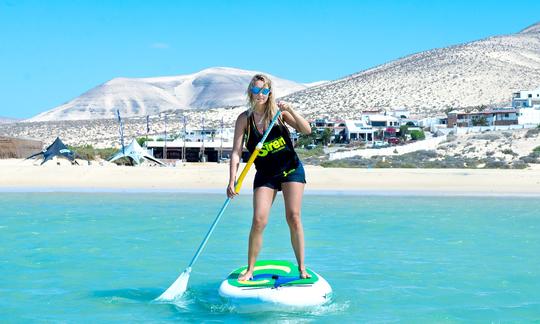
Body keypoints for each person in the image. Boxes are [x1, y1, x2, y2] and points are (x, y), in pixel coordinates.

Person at [227, 74, 312, 281]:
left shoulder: (279, 115)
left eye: (265, 91)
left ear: (270, 93)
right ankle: (250, 270)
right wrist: (232, 180)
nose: (261, 95)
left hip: (291, 170)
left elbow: (306, 130)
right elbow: (237, 152)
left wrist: (290, 110)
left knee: (293, 217)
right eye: (256, 91)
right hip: (266, 174)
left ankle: (302, 268)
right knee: (258, 220)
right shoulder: (244, 119)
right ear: (250, 92)